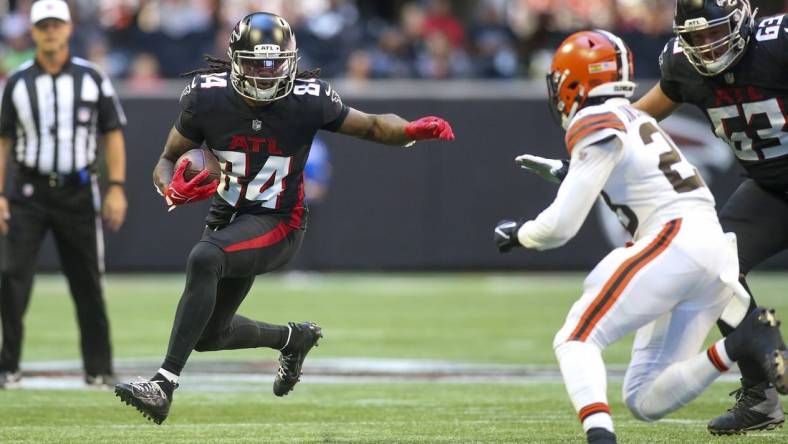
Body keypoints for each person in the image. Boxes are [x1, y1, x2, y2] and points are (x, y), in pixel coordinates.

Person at [113, 12, 454, 424]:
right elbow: (166, 160)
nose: (267, 72)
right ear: (235, 59)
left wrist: (412, 131)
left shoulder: (308, 99)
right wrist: (169, 186)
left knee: (205, 258)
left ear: (290, 60)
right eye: (257, 62)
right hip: (229, 219)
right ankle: (293, 338)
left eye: (275, 62)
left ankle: (163, 384)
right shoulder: (207, 97)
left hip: (280, 223)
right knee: (208, 335)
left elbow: (377, 127)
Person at [493, 30, 788, 444]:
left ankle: (601, 438)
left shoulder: (596, 120)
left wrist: (519, 233)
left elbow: (559, 227)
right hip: (729, 227)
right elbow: (621, 157)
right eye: (697, 38)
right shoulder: (636, 114)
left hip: (677, 240)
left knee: (576, 338)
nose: (708, 46)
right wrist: (574, 169)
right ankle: (746, 355)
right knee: (643, 399)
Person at [0, 0, 127, 389]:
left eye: (56, 24)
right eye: (43, 25)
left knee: (87, 280)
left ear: (69, 28)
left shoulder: (93, 78)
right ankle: (8, 367)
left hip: (77, 190)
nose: (50, 31)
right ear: (33, 31)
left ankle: (99, 367)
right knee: (11, 277)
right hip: (27, 190)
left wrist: (116, 188)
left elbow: (112, 134)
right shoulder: (18, 81)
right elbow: (3, 140)